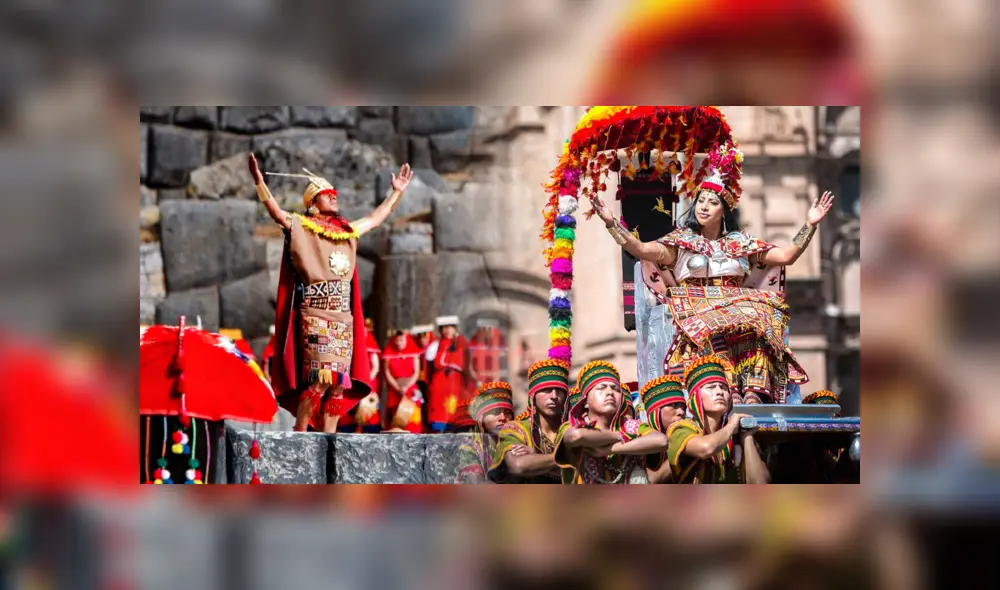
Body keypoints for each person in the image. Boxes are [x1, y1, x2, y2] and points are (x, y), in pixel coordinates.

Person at [590, 142, 834, 403]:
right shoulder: (680, 242)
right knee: (716, 327)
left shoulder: (740, 243)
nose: (704, 207)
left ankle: (752, 391)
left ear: (724, 211)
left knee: (763, 317)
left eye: (712, 202)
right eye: (701, 201)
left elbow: (787, 256)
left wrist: (810, 225)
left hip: (738, 306)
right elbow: (639, 248)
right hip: (695, 307)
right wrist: (610, 223)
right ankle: (727, 389)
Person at [249, 154, 413, 433]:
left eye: (334, 194)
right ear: (313, 204)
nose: (334, 198)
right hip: (316, 314)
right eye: (327, 195)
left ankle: (330, 439)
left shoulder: (347, 231)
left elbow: (375, 219)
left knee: (338, 383)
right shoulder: (302, 227)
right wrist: (259, 182)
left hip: (343, 317)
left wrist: (395, 193)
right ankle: (301, 435)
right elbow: (277, 213)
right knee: (320, 379)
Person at [553, 360, 668, 484]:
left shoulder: (632, 426)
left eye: (615, 389)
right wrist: (620, 436)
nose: (610, 393)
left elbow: (661, 441)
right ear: (585, 402)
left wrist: (611, 449)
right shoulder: (573, 426)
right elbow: (576, 436)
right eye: (601, 388)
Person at [666, 355, 770, 484]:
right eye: (710, 387)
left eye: (724, 388)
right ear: (696, 397)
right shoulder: (681, 429)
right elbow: (706, 448)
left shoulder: (736, 434)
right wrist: (731, 427)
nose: (719, 392)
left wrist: (747, 437)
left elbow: (760, 483)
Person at [489, 359, 570, 484]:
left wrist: (535, 458)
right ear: (533, 396)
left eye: (559, 390)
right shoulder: (515, 428)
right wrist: (566, 460)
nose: (554, 396)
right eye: (546, 390)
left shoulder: (572, 429)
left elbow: (586, 469)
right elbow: (518, 465)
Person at [456, 381, 515, 484]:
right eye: (495, 412)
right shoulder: (468, 448)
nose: (503, 418)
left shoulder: (516, 445)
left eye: (507, 413)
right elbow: (477, 484)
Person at [640, 375, 688, 483]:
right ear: (655, 411)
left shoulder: (690, 431)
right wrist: (683, 448)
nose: (681, 412)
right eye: (674, 405)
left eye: (683, 407)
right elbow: (651, 480)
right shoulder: (640, 434)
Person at [426, 315, 469, 433]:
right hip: (439, 384)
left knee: (455, 410)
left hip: (456, 383)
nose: (448, 330)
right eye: (445, 328)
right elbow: (429, 361)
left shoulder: (462, 343)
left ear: (455, 329)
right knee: (439, 412)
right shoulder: (436, 345)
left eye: (451, 327)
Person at [382, 329, 423, 433]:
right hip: (394, 390)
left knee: (412, 420)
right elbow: (387, 373)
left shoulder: (414, 354)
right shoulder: (389, 354)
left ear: (407, 340)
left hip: (410, 389)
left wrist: (407, 387)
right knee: (395, 420)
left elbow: (416, 373)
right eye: (397, 340)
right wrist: (397, 387)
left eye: (401, 340)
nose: (399, 343)